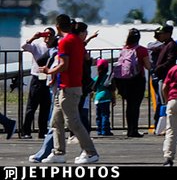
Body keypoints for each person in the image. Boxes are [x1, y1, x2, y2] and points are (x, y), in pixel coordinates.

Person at [40, 13, 100, 165]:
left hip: (69, 87)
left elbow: (63, 65)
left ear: (57, 26)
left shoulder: (65, 42)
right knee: (56, 121)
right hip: (68, 87)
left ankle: (91, 152)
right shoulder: (78, 41)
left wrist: (49, 71)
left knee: (73, 122)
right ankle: (58, 152)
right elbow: (84, 59)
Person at [112, 28, 151, 138]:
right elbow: (148, 66)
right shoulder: (142, 50)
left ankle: (130, 129)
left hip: (125, 80)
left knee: (129, 105)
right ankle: (134, 129)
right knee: (136, 105)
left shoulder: (124, 49)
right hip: (138, 79)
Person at [20, 28, 56, 139]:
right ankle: (26, 131)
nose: (47, 37)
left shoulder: (55, 48)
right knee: (32, 106)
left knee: (45, 107)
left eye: (50, 35)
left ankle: (42, 131)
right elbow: (24, 47)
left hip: (48, 78)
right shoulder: (37, 45)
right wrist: (33, 37)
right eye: (45, 34)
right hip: (36, 78)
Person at [93, 59, 113, 137]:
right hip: (106, 97)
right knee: (105, 114)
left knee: (99, 115)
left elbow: (93, 88)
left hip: (97, 98)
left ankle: (99, 130)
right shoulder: (107, 78)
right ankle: (105, 130)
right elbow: (112, 88)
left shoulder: (96, 78)